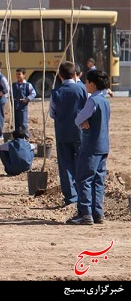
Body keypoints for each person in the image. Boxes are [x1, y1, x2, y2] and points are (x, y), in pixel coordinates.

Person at [67, 69, 110, 225]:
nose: (85, 84)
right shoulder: (105, 101)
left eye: (86, 82)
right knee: (98, 181)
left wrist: (80, 122)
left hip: (91, 145)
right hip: (103, 145)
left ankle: (85, 214)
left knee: (83, 179)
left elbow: (79, 118)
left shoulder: (93, 101)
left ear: (92, 84)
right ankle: (97, 213)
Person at [49, 61, 88, 207]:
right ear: (75, 74)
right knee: (82, 165)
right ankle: (83, 197)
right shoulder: (82, 89)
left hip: (62, 133)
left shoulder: (55, 92)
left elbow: (52, 113)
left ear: (59, 76)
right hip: (80, 134)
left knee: (65, 166)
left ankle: (71, 198)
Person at [11, 68, 37, 138]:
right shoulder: (14, 85)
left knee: (23, 124)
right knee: (16, 124)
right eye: (17, 74)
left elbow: (33, 93)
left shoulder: (28, 85)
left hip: (23, 107)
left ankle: (26, 138)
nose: (18, 76)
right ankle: (17, 138)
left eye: (19, 74)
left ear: (24, 75)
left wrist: (27, 99)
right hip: (15, 106)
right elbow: (11, 94)